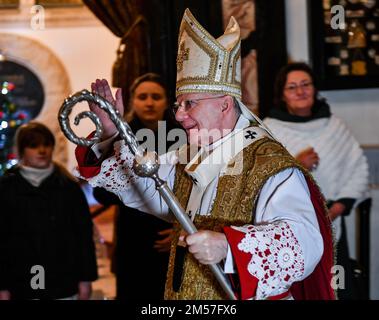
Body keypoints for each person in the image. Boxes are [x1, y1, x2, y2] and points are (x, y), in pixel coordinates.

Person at [75, 9, 335, 300]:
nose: (181, 116)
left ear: (225, 105)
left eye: (190, 104)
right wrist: (111, 132)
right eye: (179, 106)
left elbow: (306, 242)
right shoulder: (190, 155)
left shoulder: (270, 165)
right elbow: (145, 187)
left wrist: (229, 247)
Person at [263, 62, 369, 299]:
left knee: (335, 289)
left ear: (314, 89)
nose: (300, 91)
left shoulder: (335, 127)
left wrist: (338, 207)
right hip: (289, 228)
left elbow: (359, 168)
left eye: (305, 84)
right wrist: (296, 164)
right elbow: (262, 178)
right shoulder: (269, 130)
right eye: (292, 87)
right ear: (282, 95)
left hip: (333, 220)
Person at [93, 73, 179, 299]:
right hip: (134, 234)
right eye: (143, 97)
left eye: (156, 96)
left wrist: (180, 230)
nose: (149, 102)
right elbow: (100, 192)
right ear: (133, 102)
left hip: (173, 234)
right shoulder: (118, 135)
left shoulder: (184, 137)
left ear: (167, 101)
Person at [0, 122, 98, 300]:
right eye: (34, 145)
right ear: (22, 150)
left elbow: (83, 236)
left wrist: (86, 280)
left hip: (63, 282)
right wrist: (3, 286)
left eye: (46, 144)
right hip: (21, 283)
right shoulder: (7, 188)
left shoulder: (68, 187)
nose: (42, 150)